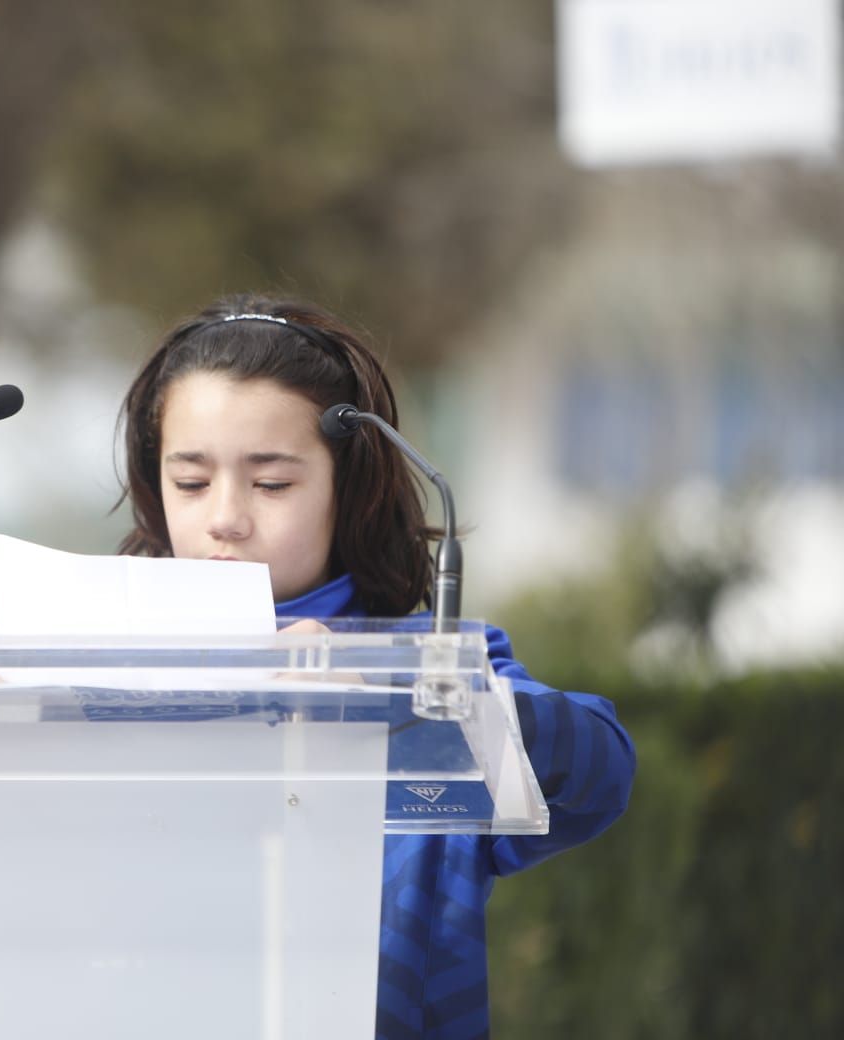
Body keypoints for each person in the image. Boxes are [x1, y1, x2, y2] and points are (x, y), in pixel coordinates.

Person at [117, 293, 635, 1040]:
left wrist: (394, 693)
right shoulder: (88, 663)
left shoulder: (430, 662)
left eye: (271, 483)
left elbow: (601, 772)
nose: (223, 516)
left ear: (347, 489)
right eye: (190, 482)